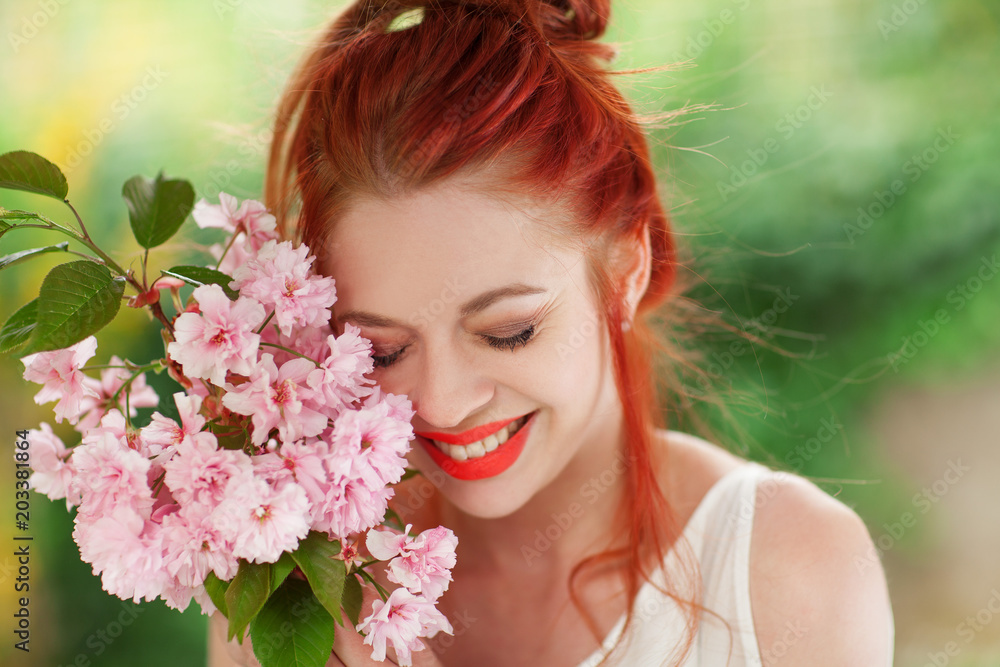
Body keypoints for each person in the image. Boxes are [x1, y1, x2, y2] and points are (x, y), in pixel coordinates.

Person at [209, 0, 894, 665]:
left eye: (508, 331)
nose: (441, 402)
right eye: (383, 349)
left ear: (625, 268)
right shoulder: (299, 586)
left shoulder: (785, 575)